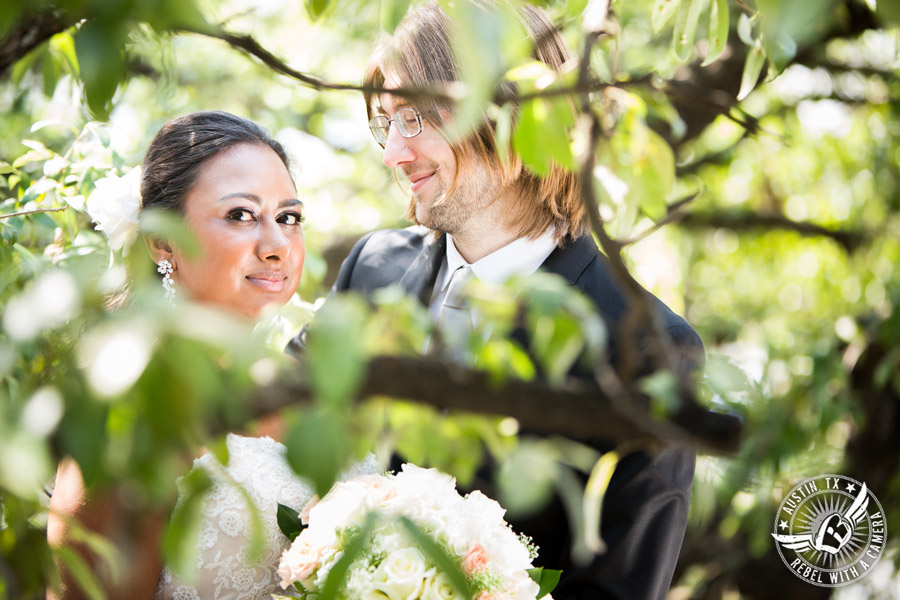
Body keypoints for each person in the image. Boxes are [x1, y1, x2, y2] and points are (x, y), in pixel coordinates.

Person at [289, 3, 705, 599]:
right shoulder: (371, 269)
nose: (393, 155)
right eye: (387, 124)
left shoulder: (647, 351)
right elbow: (270, 439)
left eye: (414, 119)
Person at [48, 111, 374, 600]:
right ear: (162, 241)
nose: (277, 245)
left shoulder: (306, 383)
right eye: (240, 215)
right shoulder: (131, 404)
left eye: (289, 217)